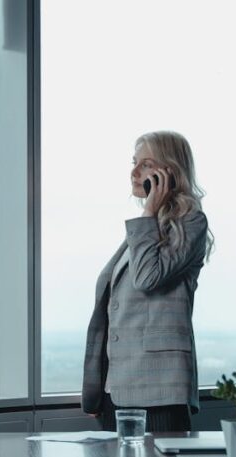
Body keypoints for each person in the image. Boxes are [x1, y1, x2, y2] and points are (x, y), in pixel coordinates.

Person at [81, 130, 213, 433]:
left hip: (159, 390)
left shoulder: (190, 224)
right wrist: (99, 386)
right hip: (117, 388)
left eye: (145, 164)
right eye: (134, 163)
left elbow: (147, 278)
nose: (134, 173)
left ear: (169, 171)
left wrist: (150, 211)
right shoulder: (148, 230)